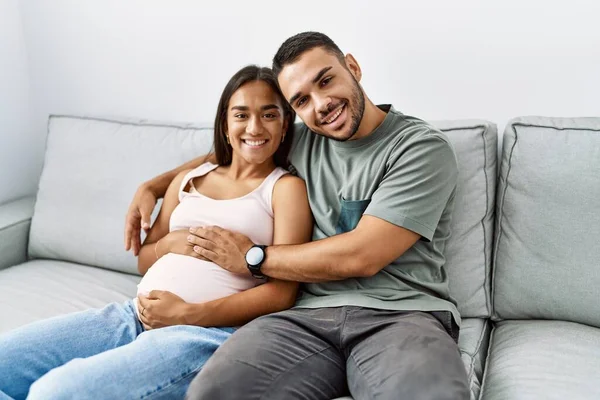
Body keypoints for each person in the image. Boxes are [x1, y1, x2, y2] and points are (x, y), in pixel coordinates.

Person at [125, 32, 470, 400]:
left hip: (400, 315)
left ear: (352, 67)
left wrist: (251, 257)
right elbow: (230, 153)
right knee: (213, 392)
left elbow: (362, 255)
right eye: (301, 100)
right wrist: (155, 186)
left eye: (326, 81)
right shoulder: (302, 139)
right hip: (303, 318)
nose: (320, 105)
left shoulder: (418, 147)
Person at [0, 65, 312, 400]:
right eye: (241, 114)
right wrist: (168, 244)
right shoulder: (188, 180)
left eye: (269, 115)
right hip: (133, 314)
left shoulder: (284, 189)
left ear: (284, 128)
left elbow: (282, 294)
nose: (254, 127)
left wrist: (189, 314)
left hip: (204, 333)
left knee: (54, 393)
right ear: (224, 124)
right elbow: (144, 260)